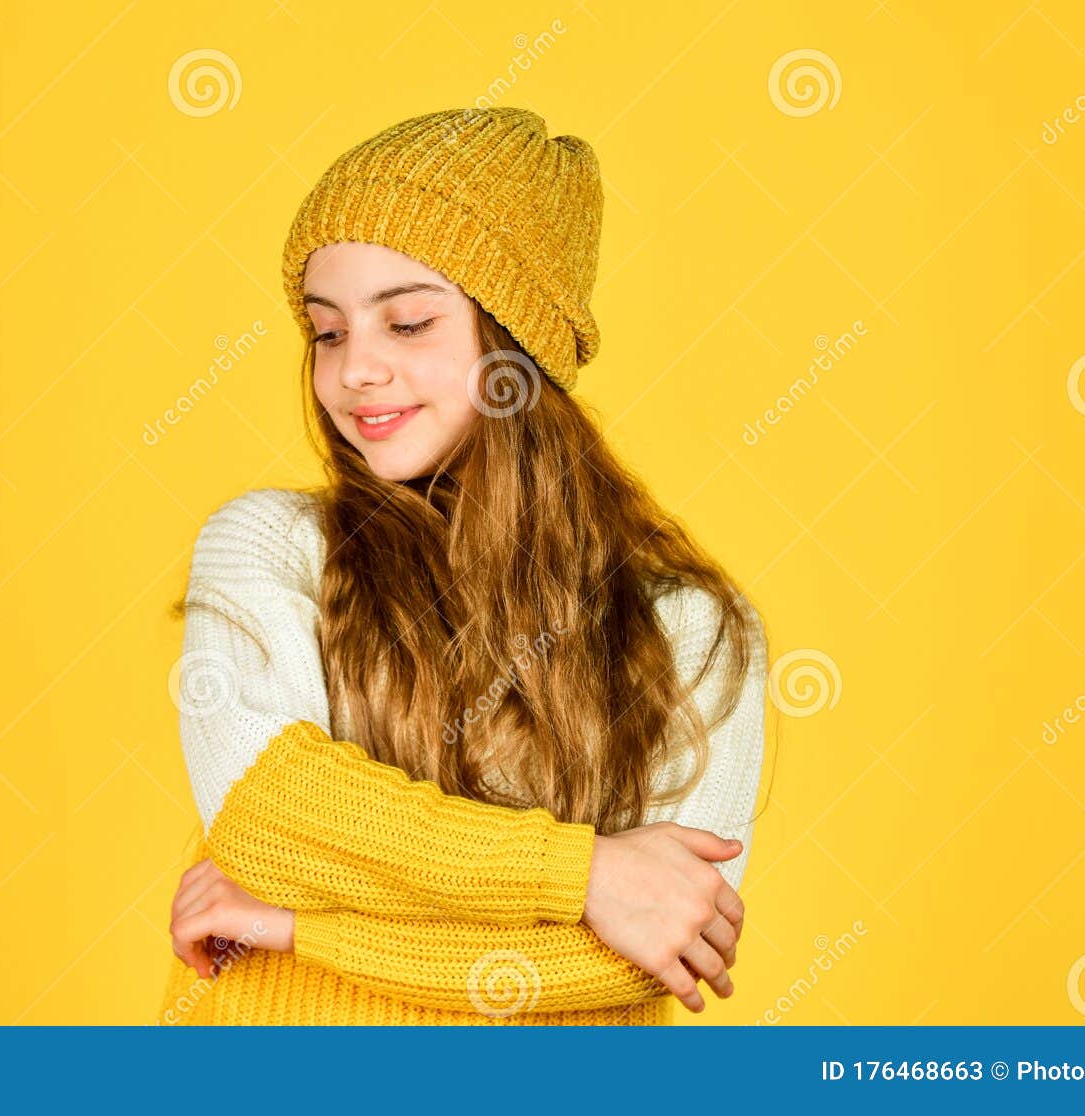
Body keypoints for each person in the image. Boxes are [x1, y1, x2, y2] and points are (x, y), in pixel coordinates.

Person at [159, 106, 770, 1026]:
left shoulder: (690, 624)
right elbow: (269, 810)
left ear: (518, 349)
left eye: (406, 323)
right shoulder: (268, 546)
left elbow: (656, 950)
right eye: (327, 333)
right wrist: (587, 875)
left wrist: (301, 926)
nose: (354, 370)